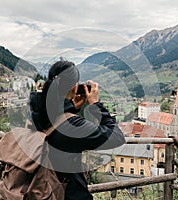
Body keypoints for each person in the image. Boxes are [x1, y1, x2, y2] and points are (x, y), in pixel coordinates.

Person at [29, 60, 126, 200]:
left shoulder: (34, 111)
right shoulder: (72, 126)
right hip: (66, 194)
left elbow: (54, 120)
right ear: (75, 88)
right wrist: (96, 105)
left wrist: (71, 107)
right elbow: (116, 137)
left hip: (38, 189)